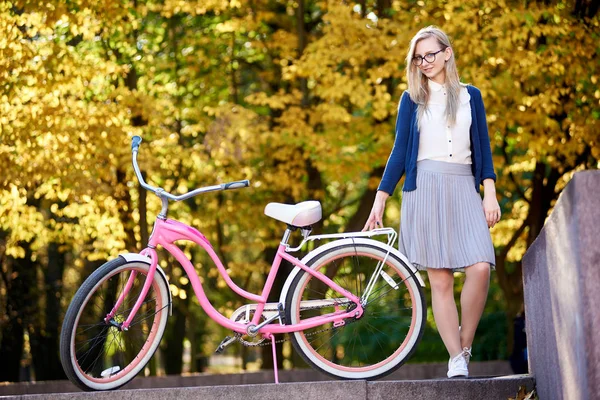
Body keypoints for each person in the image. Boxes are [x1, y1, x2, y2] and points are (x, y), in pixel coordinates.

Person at [363, 26, 501, 378]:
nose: (424, 62)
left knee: (481, 266)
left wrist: (490, 193)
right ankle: (455, 358)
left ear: (447, 53)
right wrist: (381, 199)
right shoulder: (411, 99)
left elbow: (483, 149)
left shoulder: (473, 96)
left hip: (462, 188)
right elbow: (398, 153)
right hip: (424, 188)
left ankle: (464, 345)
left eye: (430, 54)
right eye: (418, 57)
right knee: (440, 282)